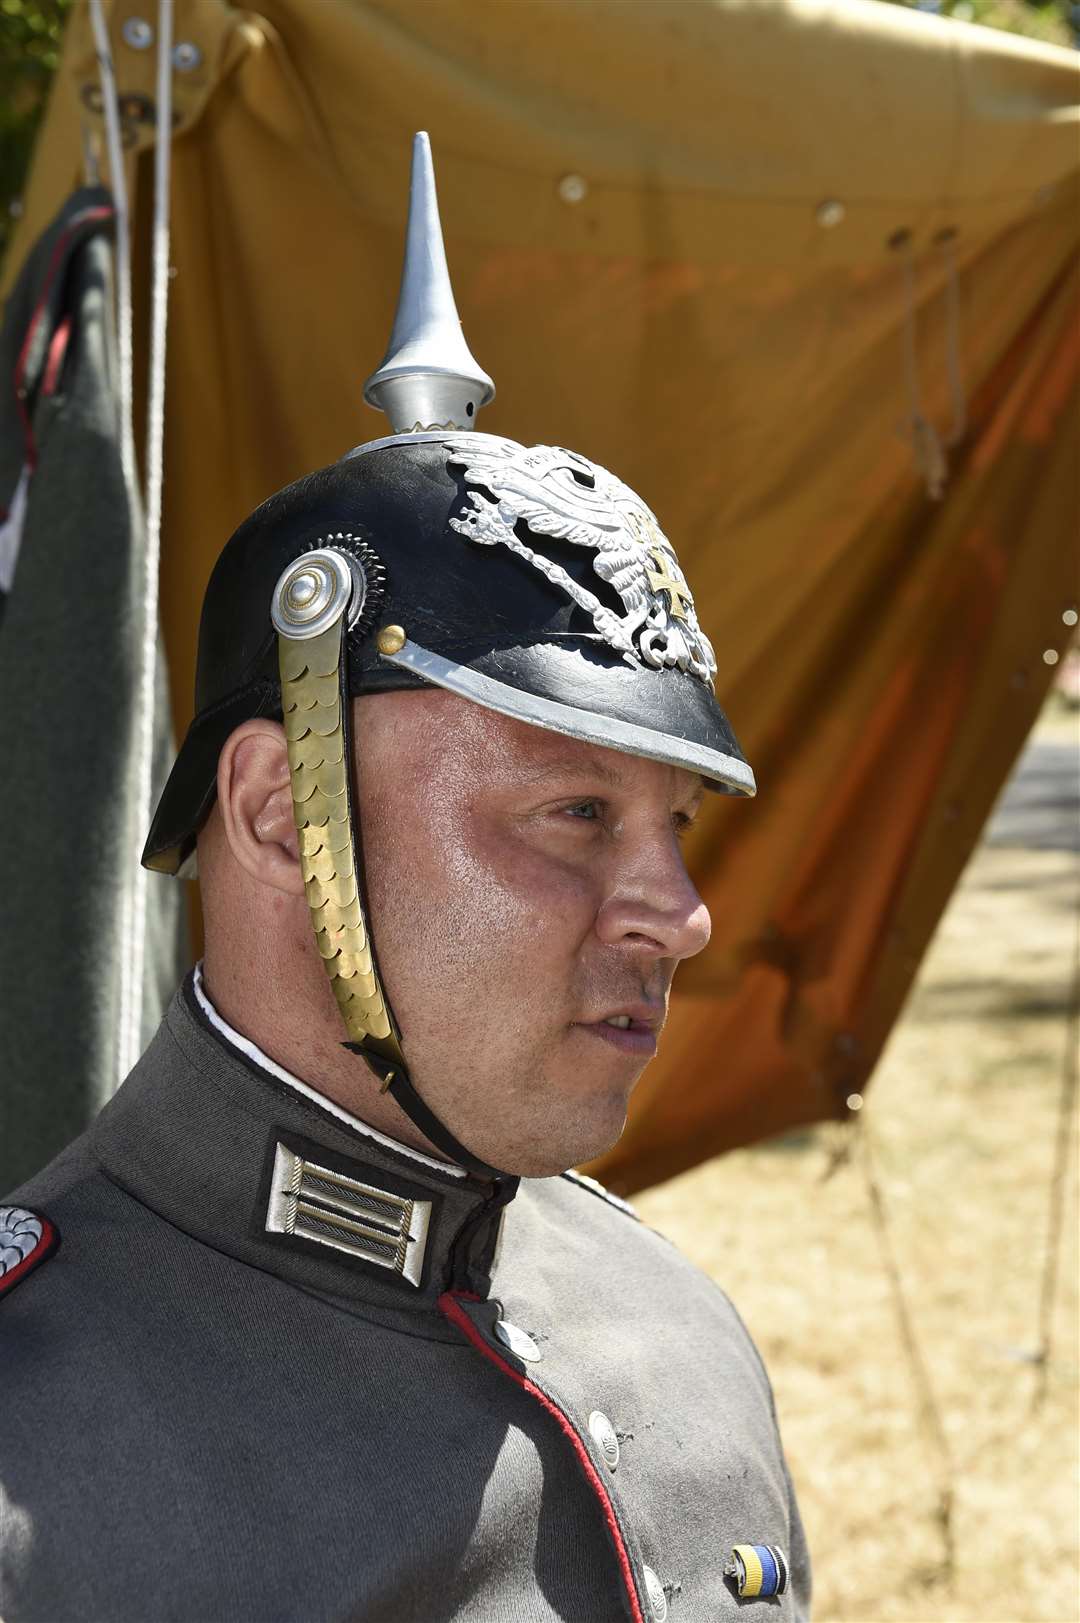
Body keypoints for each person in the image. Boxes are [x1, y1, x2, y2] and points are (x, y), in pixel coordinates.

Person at [1, 135, 810, 1622]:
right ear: (268, 806)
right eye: (573, 809)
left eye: (677, 824)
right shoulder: (30, 1453)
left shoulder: (674, 1331)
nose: (680, 916)